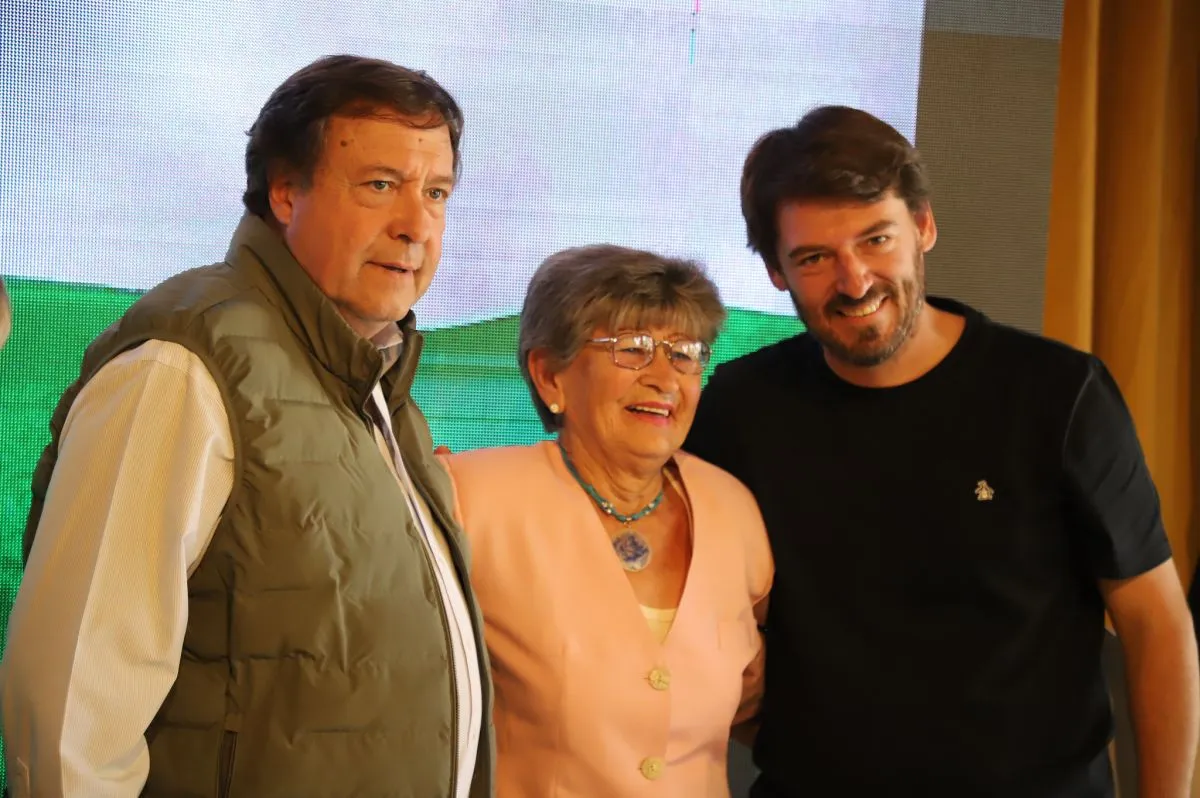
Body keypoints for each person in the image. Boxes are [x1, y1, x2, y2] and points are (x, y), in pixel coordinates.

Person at [1, 55, 493, 798]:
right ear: (285, 192)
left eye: (436, 193)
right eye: (380, 185)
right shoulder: (181, 367)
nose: (415, 226)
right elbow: (74, 715)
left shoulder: (382, 390)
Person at [684, 105, 1199, 797]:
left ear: (923, 226)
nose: (854, 281)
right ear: (777, 271)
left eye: (876, 239)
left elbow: (1155, 622)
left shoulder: (1057, 393)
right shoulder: (740, 408)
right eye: (814, 258)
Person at [439, 244, 773, 796]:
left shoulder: (733, 509)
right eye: (633, 349)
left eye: (685, 352)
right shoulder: (469, 500)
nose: (665, 378)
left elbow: (754, 696)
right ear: (550, 375)